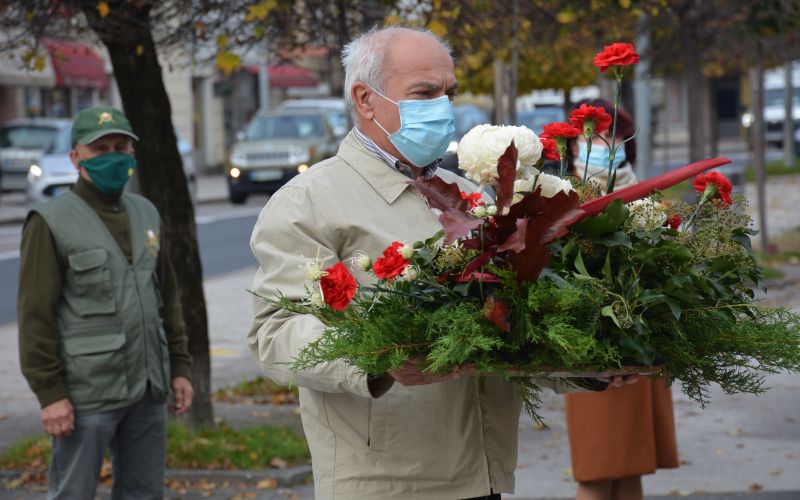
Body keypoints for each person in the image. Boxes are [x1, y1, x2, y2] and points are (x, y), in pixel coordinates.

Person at [248, 26, 635, 500]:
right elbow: (274, 335)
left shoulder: (474, 197)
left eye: (448, 93)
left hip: (483, 472)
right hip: (386, 483)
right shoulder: (308, 202)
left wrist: (589, 364)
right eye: (424, 93)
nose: (443, 107)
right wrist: (380, 360)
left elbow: (518, 326)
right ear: (365, 99)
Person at [18, 106, 194, 499]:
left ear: (132, 154)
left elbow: (167, 296)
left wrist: (179, 368)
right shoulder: (50, 222)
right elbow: (35, 317)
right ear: (76, 157)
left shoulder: (145, 212)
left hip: (148, 388)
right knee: (73, 493)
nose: (113, 156)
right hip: (86, 394)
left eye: (121, 146)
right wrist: (51, 394)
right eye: (100, 149)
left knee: (144, 493)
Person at [562, 99, 679, 500]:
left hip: (641, 339)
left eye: (610, 133)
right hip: (596, 346)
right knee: (598, 470)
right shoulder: (561, 192)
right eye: (588, 133)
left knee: (631, 468)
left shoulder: (640, 191)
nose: (598, 141)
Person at [566, 98, 639, 192]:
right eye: (593, 137)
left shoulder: (646, 196)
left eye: (611, 136)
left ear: (625, 142)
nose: (604, 145)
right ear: (574, 147)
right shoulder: (565, 195)